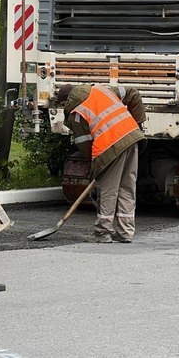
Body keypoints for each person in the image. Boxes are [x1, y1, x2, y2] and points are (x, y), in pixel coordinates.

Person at [57, 83, 146, 243]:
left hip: (110, 146)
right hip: (132, 137)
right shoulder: (101, 89)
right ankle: (126, 232)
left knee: (108, 190)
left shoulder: (75, 113)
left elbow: (86, 145)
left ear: (65, 101)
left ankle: (103, 232)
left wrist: (97, 166)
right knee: (127, 187)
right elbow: (133, 92)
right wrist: (137, 122)